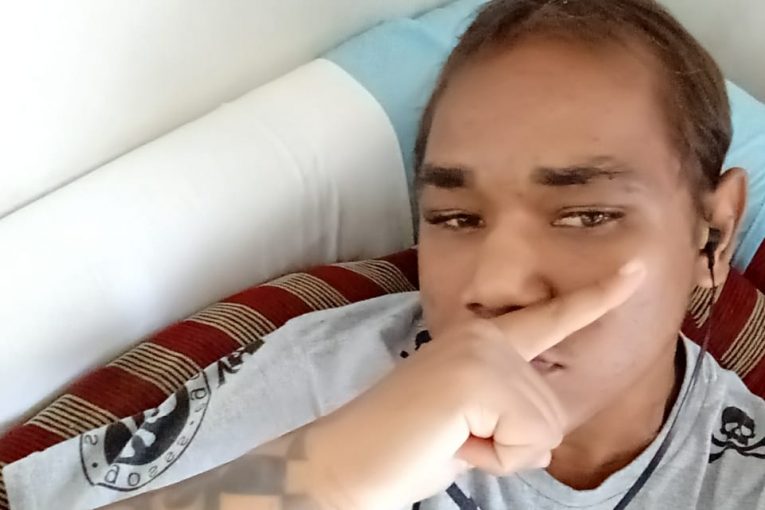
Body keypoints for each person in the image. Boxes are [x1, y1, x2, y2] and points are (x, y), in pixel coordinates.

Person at [4, 0, 764, 509]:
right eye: (455, 217)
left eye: (586, 214)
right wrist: (322, 479)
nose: (495, 284)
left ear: (713, 234)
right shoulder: (327, 378)